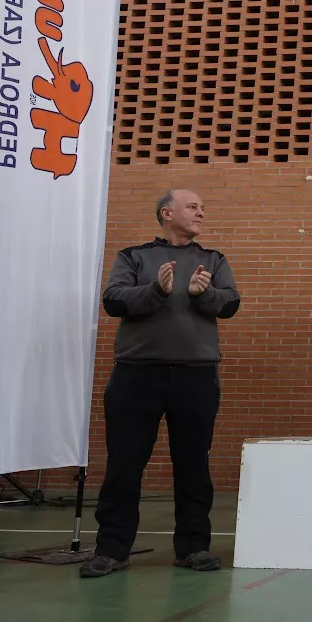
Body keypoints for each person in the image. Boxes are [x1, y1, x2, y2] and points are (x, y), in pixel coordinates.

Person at [82, 189, 241, 578]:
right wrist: (156, 290)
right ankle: (112, 549)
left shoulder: (213, 260)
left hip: (196, 376)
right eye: (193, 206)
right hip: (137, 375)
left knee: (193, 465)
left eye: (202, 207)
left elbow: (231, 303)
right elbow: (113, 300)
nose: (201, 212)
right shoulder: (133, 257)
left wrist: (204, 296)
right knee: (124, 464)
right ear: (167, 213)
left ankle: (193, 548)